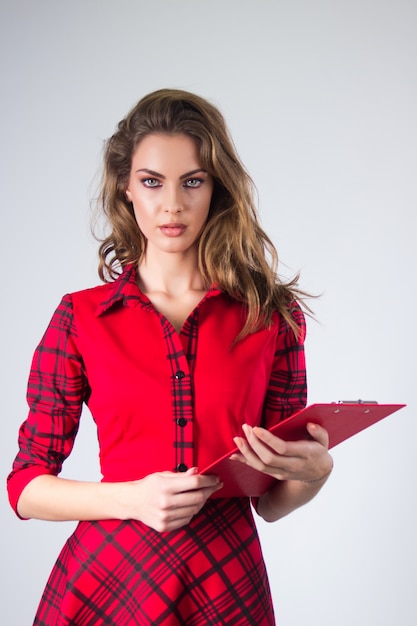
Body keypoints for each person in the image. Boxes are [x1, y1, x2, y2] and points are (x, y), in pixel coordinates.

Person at [7, 88, 333, 625]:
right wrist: (133, 498)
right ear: (127, 189)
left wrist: (313, 475)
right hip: (110, 579)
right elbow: (25, 487)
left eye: (193, 181)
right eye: (152, 182)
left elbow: (270, 501)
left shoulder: (271, 317)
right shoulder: (79, 318)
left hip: (225, 583)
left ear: (216, 190)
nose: (172, 204)